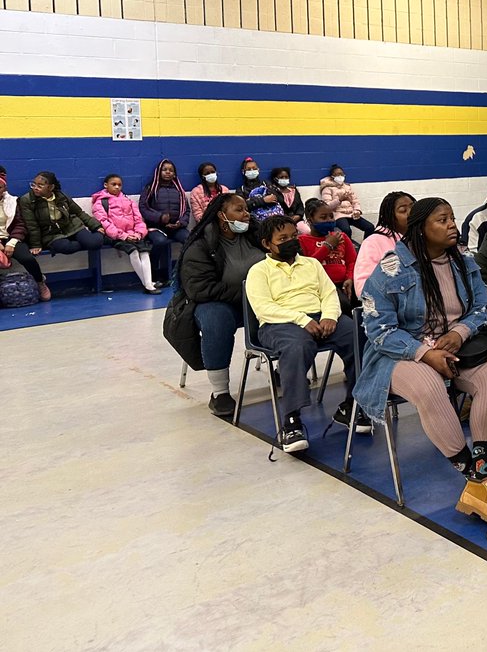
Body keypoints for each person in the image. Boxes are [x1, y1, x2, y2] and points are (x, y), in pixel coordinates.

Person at [356, 198, 487, 528]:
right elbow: (378, 329)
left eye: (452, 218)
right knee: (429, 385)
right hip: (398, 355)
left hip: (454, 348)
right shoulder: (391, 268)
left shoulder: (463, 261)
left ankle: (481, 483)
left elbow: (483, 307)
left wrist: (460, 333)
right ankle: (478, 482)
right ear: (420, 229)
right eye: (442, 220)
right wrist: (426, 353)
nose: (451, 225)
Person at [246, 215, 367, 452]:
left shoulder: (311, 264)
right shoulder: (258, 271)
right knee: (297, 346)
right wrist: (301, 320)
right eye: (282, 238)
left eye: (293, 236)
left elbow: (329, 293)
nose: (291, 241)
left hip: (321, 318)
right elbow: (263, 307)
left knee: (358, 336)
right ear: (267, 244)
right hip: (278, 323)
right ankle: (291, 421)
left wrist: (330, 316)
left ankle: (354, 404)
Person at [177, 193, 265, 417]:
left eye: (246, 209)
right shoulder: (200, 246)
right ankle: (220, 393)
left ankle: (285, 369)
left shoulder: (256, 234)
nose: (246, 214)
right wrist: (246, 294)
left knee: (287, 309)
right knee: (217, 320)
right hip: (218, 302)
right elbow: (200, 289)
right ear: (221, 215)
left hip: (258, 300)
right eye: (239, 210)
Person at [92, 174, 158, 294]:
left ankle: (148, 283)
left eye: (119, 185)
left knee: (144, 250)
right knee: (133, 250)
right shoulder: (100, 203)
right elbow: (105, 224)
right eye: (114, 184)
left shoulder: (128, 200)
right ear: (106, 185)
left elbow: (139, 220)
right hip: (115, 236)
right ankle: (147, 284)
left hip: (133, 234)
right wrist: (124, 236)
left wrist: (139, 234)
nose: (117, 187)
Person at [19, 171, 106, 262]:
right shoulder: (27, 200)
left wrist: (95, 226)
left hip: (71, 226)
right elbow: (32, 225)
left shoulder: (61, 196)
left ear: (51, 187)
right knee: (66, 247)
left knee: (93, 243)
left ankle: (104, 238)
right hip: (50, 234)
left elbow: (79, 212)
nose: (35, 188)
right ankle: (84, 241)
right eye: (33, 185)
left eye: (40, 186)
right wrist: (35, 244)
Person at [299, 198, 357, 313]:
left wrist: (349, 278)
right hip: (322, 287)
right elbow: (306, 266)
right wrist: (327, 246)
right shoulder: (302, 240)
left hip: (345, 283)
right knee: (343, 305)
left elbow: (352, 261)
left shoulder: (341, 236)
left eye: (331, 216)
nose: (329, 220)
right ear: (310, 221)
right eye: (323, 217)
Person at [139, 158, 191, 285]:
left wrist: (181, 222)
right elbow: (143, 208)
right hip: (156, 227)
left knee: (190, 240)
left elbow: (187, 210)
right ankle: (154, 274)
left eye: (171, 170)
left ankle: (184, 273)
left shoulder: (179, 190)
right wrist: (159, 217)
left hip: (175, 227)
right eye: (165, 170)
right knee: (160, 241)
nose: (168, 172)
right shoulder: (150, 188)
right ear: (159, 172)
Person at [0, 172, 51, 301]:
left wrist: (12, 243)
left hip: (11, 238)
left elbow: (21, 225)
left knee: (27, 258)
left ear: (4, 188)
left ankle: (40, 282)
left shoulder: (13, 202)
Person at [353, 191, 414, 297]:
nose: (410, 213)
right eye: (403, 210)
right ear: (389, 216)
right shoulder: (373, 242)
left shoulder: (422, 238)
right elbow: (363, 287)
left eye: (413, 208)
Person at [319, 164, 374, 241]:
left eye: (342, 174)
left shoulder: (347, 187)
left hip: (351, 214)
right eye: (338, 174)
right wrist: (339, 200)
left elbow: (355, 201)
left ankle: (365, 247)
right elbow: (327, 206)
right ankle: (348, 249)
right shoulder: (327, 188)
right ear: (332, 176)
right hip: (338, 215)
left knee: (370, 227)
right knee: (347, 230)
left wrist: (357, 210)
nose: (340, 176)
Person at [269, 167, 309, 235]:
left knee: (307, 231)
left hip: (297, 220)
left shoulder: (294, 190)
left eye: (286, 177)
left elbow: (300, 206)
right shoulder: (272, 192)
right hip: (281, 222)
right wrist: (286, 219)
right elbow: (274, 209)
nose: (284, 179)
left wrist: (298, 215)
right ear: (275, 179)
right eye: (281, 177)